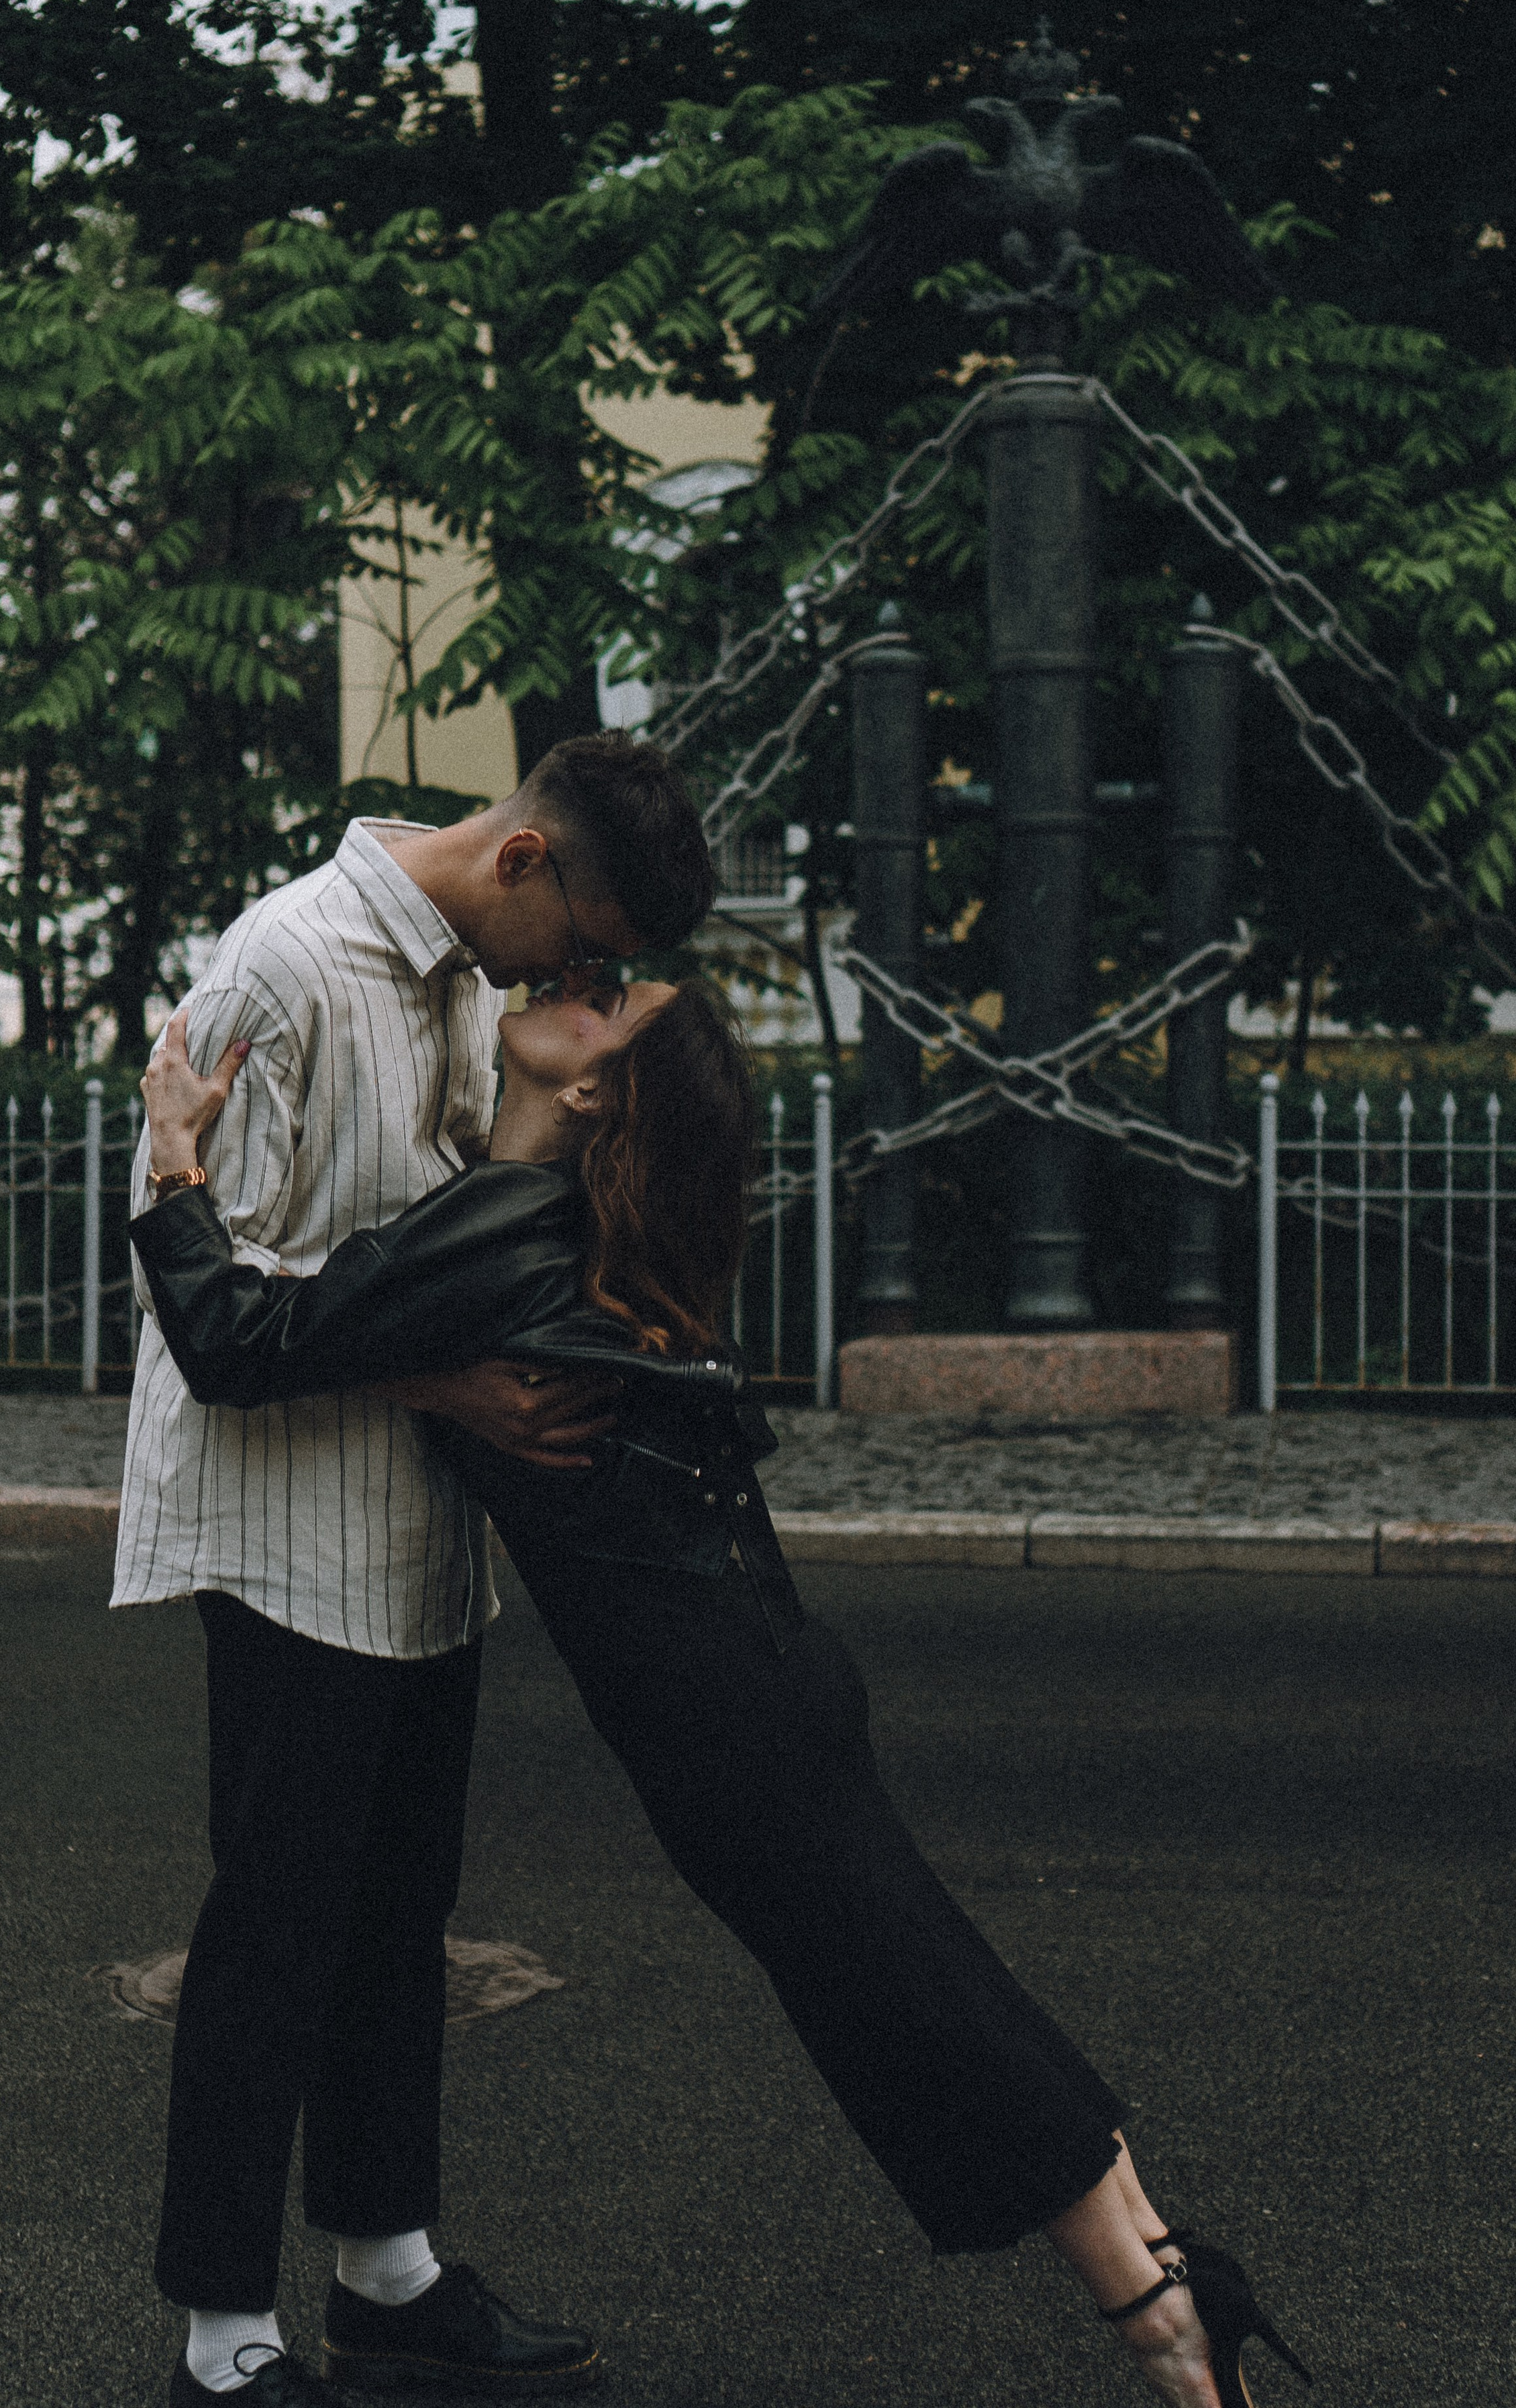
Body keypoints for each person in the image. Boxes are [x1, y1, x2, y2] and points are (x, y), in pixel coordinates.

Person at [130, 971, 1312, 2408]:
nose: (578, 987)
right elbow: (390, 1346)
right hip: (764, 1676)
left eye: (607, 1005)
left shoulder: (504, 1223)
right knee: (926, 1983)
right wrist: (440, 1388)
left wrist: (177, 1155)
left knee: (910, 2012)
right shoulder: (555, 1227)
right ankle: (1171, 2279)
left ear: (591, 1093)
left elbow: (237, 1341)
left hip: (717, 1720)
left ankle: (1159, 2315)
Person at [112, 733, 717, 2407]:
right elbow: (211, 1297)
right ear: (524, 863)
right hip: (286, 1518)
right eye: (591, 944)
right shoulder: (288, 960)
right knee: (278, 1921)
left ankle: (388, 2271)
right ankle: (221, 2338)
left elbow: (439, 1247)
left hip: (420, 1525)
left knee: (400, 1918)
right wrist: (450, 1379)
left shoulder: (467, 980)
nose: (587, 979)